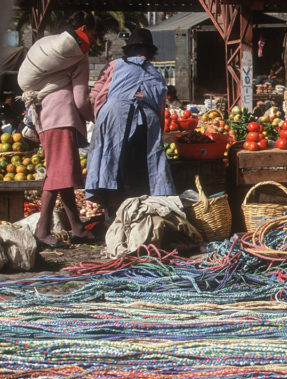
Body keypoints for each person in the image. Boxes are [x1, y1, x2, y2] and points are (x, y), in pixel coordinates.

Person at [18, 11, 101, 248]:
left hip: (45, 117)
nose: (93, 41)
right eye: (93, 35)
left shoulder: (49, 47)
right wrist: (95, 116)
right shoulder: (78, 57)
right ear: (83, 30)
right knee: (56, 175)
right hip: (61, 118)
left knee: (61, 173)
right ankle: (43, 230)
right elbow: (80, 99)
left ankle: (76, 228)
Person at [85, 28, 175, 214]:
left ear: (129, 49)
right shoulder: (156, 75)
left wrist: (100, 118)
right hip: (145, 123)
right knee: (139, 169)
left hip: (114, 117)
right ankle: (137, 213)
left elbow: (95, 96)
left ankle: (113, 211)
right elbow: (160, 110)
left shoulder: (114, 65)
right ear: (150, 52)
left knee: (112, 164)